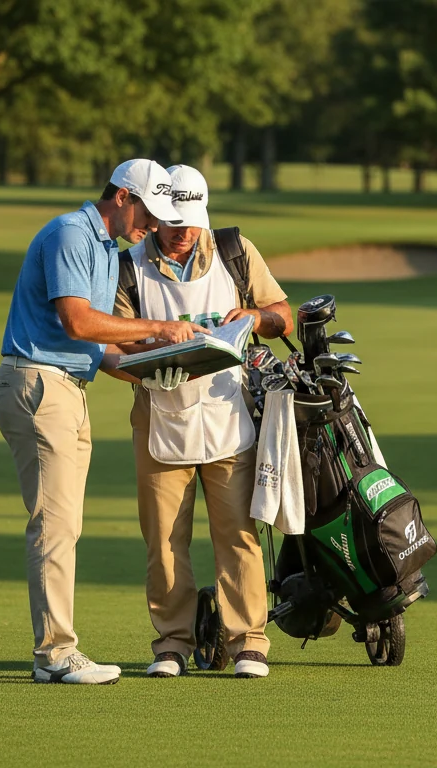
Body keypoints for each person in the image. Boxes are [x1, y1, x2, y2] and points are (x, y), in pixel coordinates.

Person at [0, 159, 210, 685]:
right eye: (148, 212)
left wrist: (154, 372)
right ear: (120, 196)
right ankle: (55, 654)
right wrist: (160, 328)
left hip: (66, 386)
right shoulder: (71, 232)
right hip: (40, 384)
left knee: (65, 523)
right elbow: (77, 319)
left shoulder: (106, 250)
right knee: (55, 525)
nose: (154, 226)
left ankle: (55, 653)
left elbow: (98, 346)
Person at [101, 164, 292, 679]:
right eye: (173, 221)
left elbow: (283, 314)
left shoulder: (234, 250)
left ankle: (249, 642)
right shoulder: (129, 267)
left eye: (191, 221)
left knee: (238, 534)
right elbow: (111, 346)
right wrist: (146, 370)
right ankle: (171, 644)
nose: (183, 231)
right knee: (163, 540)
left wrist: (253, 318)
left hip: (229, 414)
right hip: (161, 415)